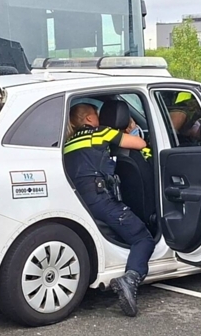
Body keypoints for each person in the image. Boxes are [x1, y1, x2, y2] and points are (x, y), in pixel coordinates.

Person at [64, 103, 152, 316]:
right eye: (96, 115)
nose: (100, 118)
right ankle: (131, 279)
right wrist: (131, 132)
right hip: (100, 198)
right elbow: (139, 143)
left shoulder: (67, 143)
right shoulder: (100, 133)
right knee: (143, 238)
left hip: (78, 201)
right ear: (88, 119)